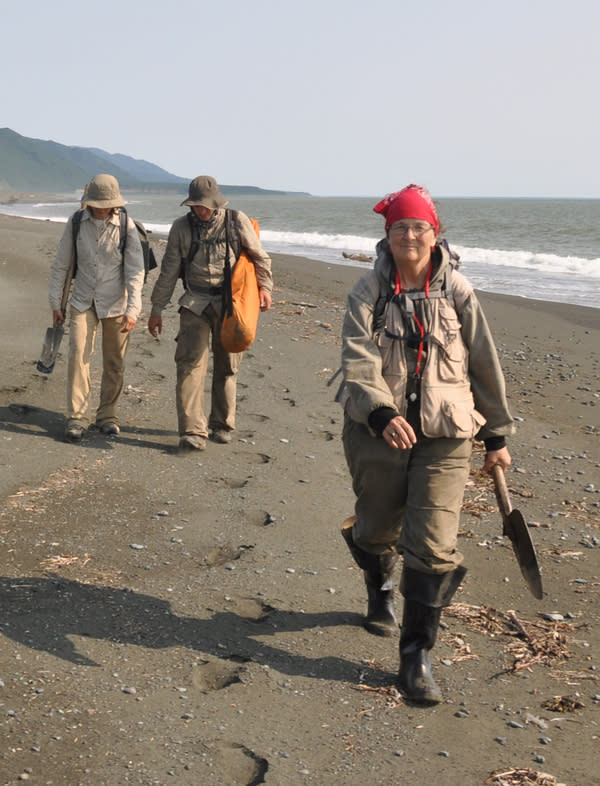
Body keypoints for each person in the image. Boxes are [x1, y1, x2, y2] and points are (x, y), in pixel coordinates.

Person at [339, 184, 514, 704]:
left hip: (447, 433)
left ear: (434, 234)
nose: (410, 236)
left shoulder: (458, 291)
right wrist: (382, 411)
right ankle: (379, 586)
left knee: (435, 543)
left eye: (419, 227)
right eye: (400, 228)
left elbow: (484, 360)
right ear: (387, 235)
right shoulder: (366, 292)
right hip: (378, 432)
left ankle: (416, 654)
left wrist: (497, 435)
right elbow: (357, 357)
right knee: (376, 529)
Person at [148, 176, 273, 451]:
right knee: (189, 364)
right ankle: (193, 430)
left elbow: (259, 256)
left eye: (205, 206)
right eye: (196, 206)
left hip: (231, 303)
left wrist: (265, 288)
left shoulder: (235, 220)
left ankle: (222, 424)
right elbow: (168, 271)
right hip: (194, 302)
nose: (201, 211)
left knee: (228, 365)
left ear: (216, 203)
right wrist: (157, 309)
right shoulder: (181, 228)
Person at [48, 174, 145, 442]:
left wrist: (133, 309)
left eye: (107, 204)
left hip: (117, 303)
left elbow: (136, 271)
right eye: (97, 203)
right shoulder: (76, 222)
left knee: (114, 362)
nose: (102, 208)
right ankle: (77, 417)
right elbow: (61, 264)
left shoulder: (126, 226)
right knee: (78, 354)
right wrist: (56, 302)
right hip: (82, 300)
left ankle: (108, 416)